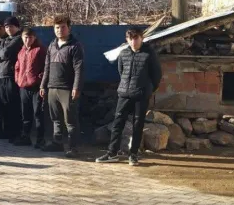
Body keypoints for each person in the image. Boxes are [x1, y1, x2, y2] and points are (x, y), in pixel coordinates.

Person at [97, 28, 161, 166]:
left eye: (136, 38)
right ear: (127, 39)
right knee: (118, 123)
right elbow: (121, 72)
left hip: (141, 95)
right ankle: (112, 153)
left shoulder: (149, 53)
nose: (133, 41)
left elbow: (156, 75)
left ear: (141, 38)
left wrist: (148, 90)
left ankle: (133, 154)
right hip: (124, 94)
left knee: (138, 125)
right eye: (130, 38)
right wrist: (126, 86)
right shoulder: (124, 53)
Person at [40, 15, 85, 158]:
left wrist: (76, 87)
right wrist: (43, 85)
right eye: (57, 27)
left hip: (67, 88)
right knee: (55, 118)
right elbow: (46, 67)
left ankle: (73, 147)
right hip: (52, 87)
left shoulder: (75, 46)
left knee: (70, 120)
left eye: (63, 27)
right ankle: (57, 142)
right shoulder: (52, 45)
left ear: (69, 28)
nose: (60, 30)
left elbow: (79, 68)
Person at [0, 17, 24, 143]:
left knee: (13, 106)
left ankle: (15, 132)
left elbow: (6, 53)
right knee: (4, 105)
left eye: (11, 26)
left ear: (17, 27)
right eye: (6, 27)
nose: (8, 29)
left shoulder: (18, 39)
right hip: (2, 76)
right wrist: (1, 54)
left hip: (12, 76)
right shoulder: (6, 40)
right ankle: (7, 130)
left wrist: (1, 54)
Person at [15, 28, 47, 148]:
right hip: (23, 87)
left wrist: (40, 80)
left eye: (30, 37)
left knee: (38, 113)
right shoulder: (21, 51)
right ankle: (25, 136)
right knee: (25, 113)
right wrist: (18, 79)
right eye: (25, 37)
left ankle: (40, 139)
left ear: (34, 38)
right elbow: (17, 67)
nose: (28, 40)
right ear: (22, 38)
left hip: (36, 87)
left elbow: (46, 68)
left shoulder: (40, 50)